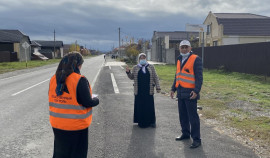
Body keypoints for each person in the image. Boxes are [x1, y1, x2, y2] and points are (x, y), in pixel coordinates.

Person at [48, 52, 99, 158]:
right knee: (77, 154)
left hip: (57, 124)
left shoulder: (54, 79)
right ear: (77, 64)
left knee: (60, 153)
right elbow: (88, 102)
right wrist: (96, 100)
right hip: (76, 126)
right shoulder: (79, 79)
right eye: (81, 64)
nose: (81, 67)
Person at [170, 40, 203, 149]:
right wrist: (173, 89)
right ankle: (185, 133)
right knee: (183, 115)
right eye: (182, 47)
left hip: (190, 93)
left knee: (193, 117)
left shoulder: (196, 59)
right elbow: (177, 76)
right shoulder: (179, 59)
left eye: (186, 47)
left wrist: (196, 90)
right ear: (179, 48)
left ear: (190, 48)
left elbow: (199, 77)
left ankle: (196, 139)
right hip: (180, 92)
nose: (184, 49)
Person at [126, 53, 161, 128]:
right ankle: (140, 121)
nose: (142, 59)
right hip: (139, 91)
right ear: (139, 59)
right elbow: (132, 77)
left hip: (149, 90)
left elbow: (155, 77)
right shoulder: (135, 67)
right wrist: (128, 72)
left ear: (146, 59)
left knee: (149, 106)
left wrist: (158, 87)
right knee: (140, 106)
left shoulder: (151, 67)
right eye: (141, 58)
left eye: (144, 58)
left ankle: (152, 122)